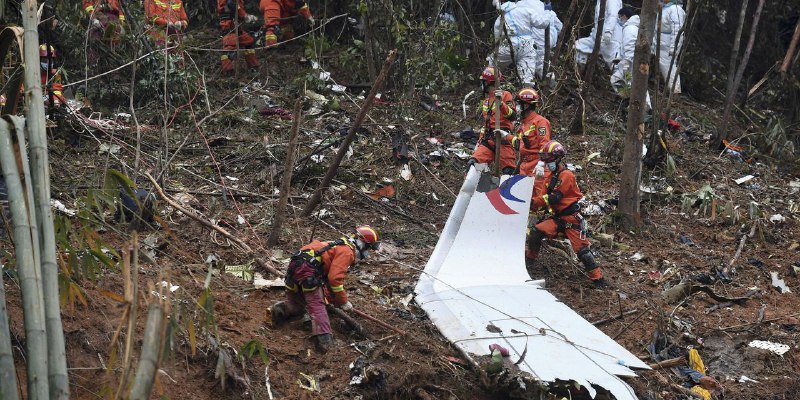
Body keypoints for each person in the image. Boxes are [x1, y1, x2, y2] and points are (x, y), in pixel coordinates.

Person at [270, 225, 381, 352]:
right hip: (307, 270)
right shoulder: (347, 251)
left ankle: (280, 310)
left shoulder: (338, 245)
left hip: (297, 265)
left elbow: (327, 281)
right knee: (317, 306)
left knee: (297, 303)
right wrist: (344, 302)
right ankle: (325, 345)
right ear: (362, 243)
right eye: (368, 248)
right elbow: (335, 280)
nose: (367, 253)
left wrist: (332, 299)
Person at [526, 140, 606, 288]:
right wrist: (536, 184)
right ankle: (529, 262)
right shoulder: (549, 177)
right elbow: (542, 196)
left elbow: (555, 197)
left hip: (571, 219)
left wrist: (535, 202)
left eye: (549, 160)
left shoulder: (567, 175)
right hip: (557, 219)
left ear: (557, 159)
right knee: (536, 232)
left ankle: (598, 280)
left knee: (583, 252)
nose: (547, 163)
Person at [487, 0, 551, 85]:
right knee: (527, 79)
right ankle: (528, 95)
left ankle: (488, 89)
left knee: (492, 66)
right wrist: (547, 10)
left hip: (508, 45)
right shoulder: (525, 10)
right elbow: (543, 23)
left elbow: (497, 37)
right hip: (527, 45)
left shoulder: (500, 18)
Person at [467, 66, 517, 175]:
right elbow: (486, 124)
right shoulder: (486, 101)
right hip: (488, 141)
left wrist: (501, 104)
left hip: (503, 139)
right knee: (473, 163)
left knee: (508, 172)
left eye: (483, 82)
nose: (482, 84)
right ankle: (474, 191)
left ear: (489, 82)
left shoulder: (505, 95)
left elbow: (513, 116)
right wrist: (479, 142)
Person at [610, 7, 651, 108]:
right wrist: (619, 58)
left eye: (620, 17)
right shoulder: (633, 27)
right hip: (631, 60)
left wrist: (627, 62)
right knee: (616, 79)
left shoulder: (629, 28)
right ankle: (630, 100)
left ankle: (644, 107)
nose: (619, 20)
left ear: (624, 16)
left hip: (632, 61)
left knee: (635, 84)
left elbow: (630, 45)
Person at [575, 0, 622, 69]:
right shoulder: (600, 1)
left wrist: (608, 32)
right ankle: (580, 70)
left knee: (615, 65)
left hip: (610, 38)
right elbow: (599, 22)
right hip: (598, 36)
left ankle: (624, 78)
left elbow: (613, 15)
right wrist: (594, 33)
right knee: (580, 45)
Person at [514, 86, 551, 176]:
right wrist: (505, 136)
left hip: (537, 167)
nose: (516, 107)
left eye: (518, 104)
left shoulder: (540, 122)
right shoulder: (523, 123)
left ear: (526, 105)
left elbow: (545, 144)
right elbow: (520, 142)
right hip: (524, 166)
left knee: (537, 190)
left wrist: (541, 163)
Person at [218, 0, 260, 73]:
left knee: (249, 42)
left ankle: (253, 67)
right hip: (229, 24)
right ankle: (228, 73)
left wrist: (247, 16)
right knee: (229, 50)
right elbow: (231, 4)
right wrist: (245, 16)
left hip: (236, 25)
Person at [655, 0, 686, 93]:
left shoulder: (676, 10)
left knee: (669, 67)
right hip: (661, 43)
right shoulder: (665, 8)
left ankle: (675, 91)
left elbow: (677, 30)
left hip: (668, 45)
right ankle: (670, 89)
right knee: (665, 66)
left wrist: (674, 48)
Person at [530, 8, 562, 80]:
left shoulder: (528, 10)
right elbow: (559, 26)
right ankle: (550, 84)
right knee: (543, 61)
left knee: (538, 62)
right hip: (550, 39)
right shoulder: (551, 13)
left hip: (536, 41)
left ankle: (532, 84)